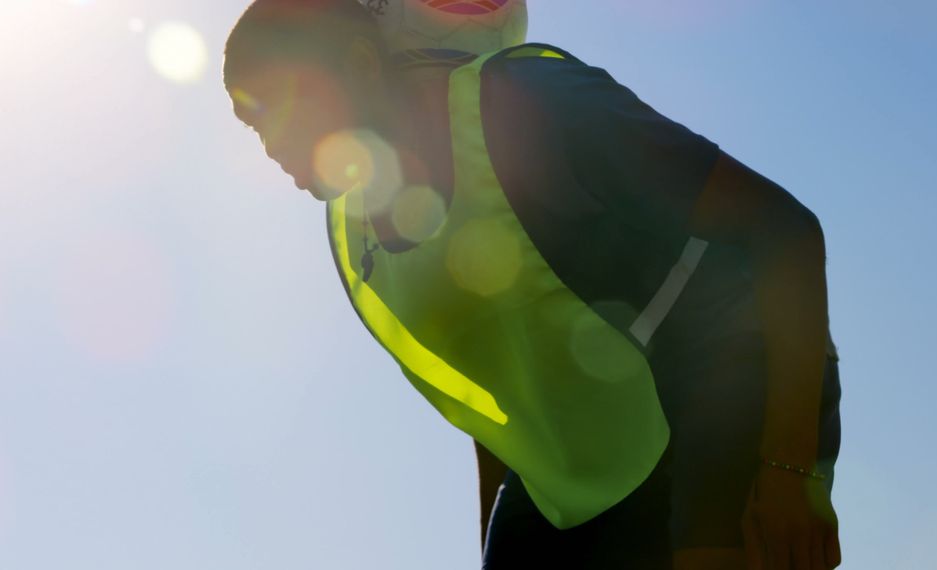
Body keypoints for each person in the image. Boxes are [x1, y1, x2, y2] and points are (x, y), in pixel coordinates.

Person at [223, 1, 842, 569]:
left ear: (360, 61)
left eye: (279, 104)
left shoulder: (529, 103)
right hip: (577, 472)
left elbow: (784, 232)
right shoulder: (352, 240)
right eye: (253, 126)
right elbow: (500, 398)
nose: (272, 145)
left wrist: (792, 474)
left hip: (725, 385)